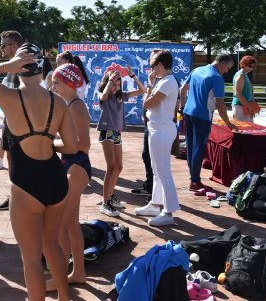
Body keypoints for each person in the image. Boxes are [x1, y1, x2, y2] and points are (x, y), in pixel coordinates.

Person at [0, 42, 77, 301]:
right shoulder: (58, 101)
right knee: (53, 246)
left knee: (30, 259)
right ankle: (64, 297)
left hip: (26, 184)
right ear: (41, 69)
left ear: (19, 69)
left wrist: (6, 66)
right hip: (56, 179)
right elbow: (72, 145)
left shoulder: (9, 97)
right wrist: (46, 140)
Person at [47, 63, 91, 291]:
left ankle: (59, 277)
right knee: (72, 225)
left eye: (56, 82)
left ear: (68, 82)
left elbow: (83, 145)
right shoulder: (68, 104)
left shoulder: (76, 106)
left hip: (77, 167)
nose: (52, 85)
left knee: (60, 227)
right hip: (72, 167)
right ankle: (79, 273)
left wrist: (50, 144)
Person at [180, 53, 239, 192]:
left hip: (188, 112)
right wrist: (228, 123)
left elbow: (183, 89)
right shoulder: (216, 78)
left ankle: (193, 178)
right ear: (222, 63)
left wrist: (182, 108)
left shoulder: (197, 70)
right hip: (202, 116)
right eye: (228, 67)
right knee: (199, 149)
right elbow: (220, 103)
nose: (227, 71)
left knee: (190, 146)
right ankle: (194, 181)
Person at [134, 50, 180, 226]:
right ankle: (155, 204)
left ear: (160, 65)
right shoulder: (165, 81)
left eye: (153, 66)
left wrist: (150, 84)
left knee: (163, 172)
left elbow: (147, 104)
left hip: (161, 130)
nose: (152, 69)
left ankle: (168, 212)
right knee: (157, 170)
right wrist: (152, 85)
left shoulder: (167, 82)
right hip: (157, 129)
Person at [97, 64, 146, 217]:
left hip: (117, 133)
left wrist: (132, 76)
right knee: (111, 168)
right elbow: (103, 96)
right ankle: (105, 204)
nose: (115, 87)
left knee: (118, 167)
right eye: (113, 84)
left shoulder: (121, 95)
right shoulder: (103, 94)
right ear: (108, 83)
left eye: (118, 84)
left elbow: (142, 91)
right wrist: (110, 81)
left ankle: (110, 198)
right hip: (107, 132)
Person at [0, 30, 24, 212]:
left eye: (4, 45)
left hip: (21, 123)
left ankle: (22, 196)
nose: (1, 48)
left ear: (15, 46)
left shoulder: (24, 66)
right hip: (9, 121)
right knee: (11, 157)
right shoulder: (10, 68)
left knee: (23, 160)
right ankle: (15, 194)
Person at [232, 55, 258, 122]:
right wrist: (250, 107)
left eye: (253, 67)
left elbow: (250, 92)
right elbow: (238, 94)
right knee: (242, 130)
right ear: (244, 64)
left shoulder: (245, 75)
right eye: (249, 66)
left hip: (245, 106)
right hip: (240, 107)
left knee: (248, 129)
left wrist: (252, 106)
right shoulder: (240, 75)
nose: (251, 68)